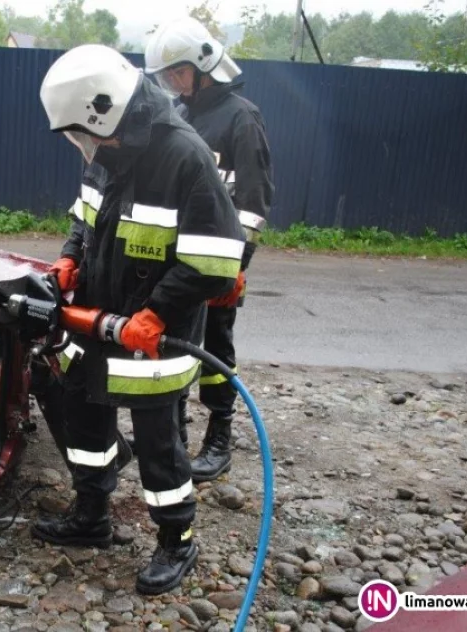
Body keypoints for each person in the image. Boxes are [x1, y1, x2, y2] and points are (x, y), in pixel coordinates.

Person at [31, 44, 246, 596]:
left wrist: (154, 312)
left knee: (158, 441)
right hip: (97, 325)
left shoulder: (185, 158)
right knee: (85, 423)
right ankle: (91, 516)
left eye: (86, 133)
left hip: (156, 336)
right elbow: (84, 220)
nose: (85, 147)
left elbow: (215, 261)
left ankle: (178, 539)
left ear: (109, 113)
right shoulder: (111, 153)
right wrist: (69, 257)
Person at [141, 17, 275, 483]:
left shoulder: (242, 117)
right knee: (174, 341)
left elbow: (254, 203)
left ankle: (219, 437)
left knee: (216, 346)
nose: (172, 83)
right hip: (176, 259)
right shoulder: (177, 115)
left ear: (202, 65)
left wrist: (237, 267)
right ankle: (171, 430)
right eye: (166, 77)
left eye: (177, 73)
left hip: (219, 258)